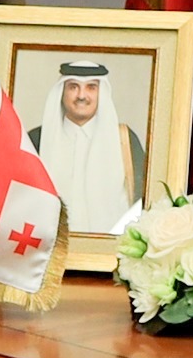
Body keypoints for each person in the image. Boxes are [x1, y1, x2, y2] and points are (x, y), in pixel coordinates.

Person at [27, 61, 145, 233]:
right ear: (62, 92)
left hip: (109, 246)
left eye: (91, 87)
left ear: (101, 93)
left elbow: (142, 200)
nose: (81, 96)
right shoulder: (36, 140)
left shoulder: (124, 140)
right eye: (73, 87)